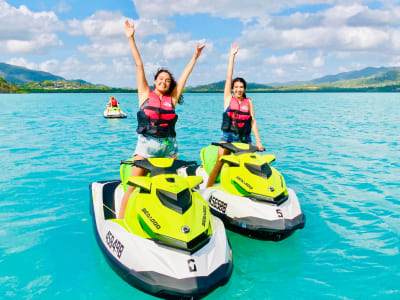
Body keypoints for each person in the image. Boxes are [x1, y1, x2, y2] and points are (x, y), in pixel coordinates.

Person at [118, 20, 205, 218]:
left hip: (169, 149)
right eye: (161, 79)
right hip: (146, 148)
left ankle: (167, 219)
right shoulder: (144, 94)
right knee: (132, 187)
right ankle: (120, 221)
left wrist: (195, 57)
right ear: (155, 81)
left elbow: (184, 76)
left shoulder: (171, 99)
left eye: (167, 80)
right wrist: (131, 38)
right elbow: (138, 64)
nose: (164, 82)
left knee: (169, 187)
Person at [206, 43, 264, 188]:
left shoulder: (248, 102)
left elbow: (253, 122)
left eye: (241, 87)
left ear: (244, 89)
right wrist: (232, 56)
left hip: (244, 138)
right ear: (232, 88)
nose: (238, 89)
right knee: (219, 163)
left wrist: (259, 142)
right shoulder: (228, 99)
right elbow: (228, 76)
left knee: (248, 166)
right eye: (236, 87)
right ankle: (207, 190)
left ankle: (247, 191)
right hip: (228, 137)